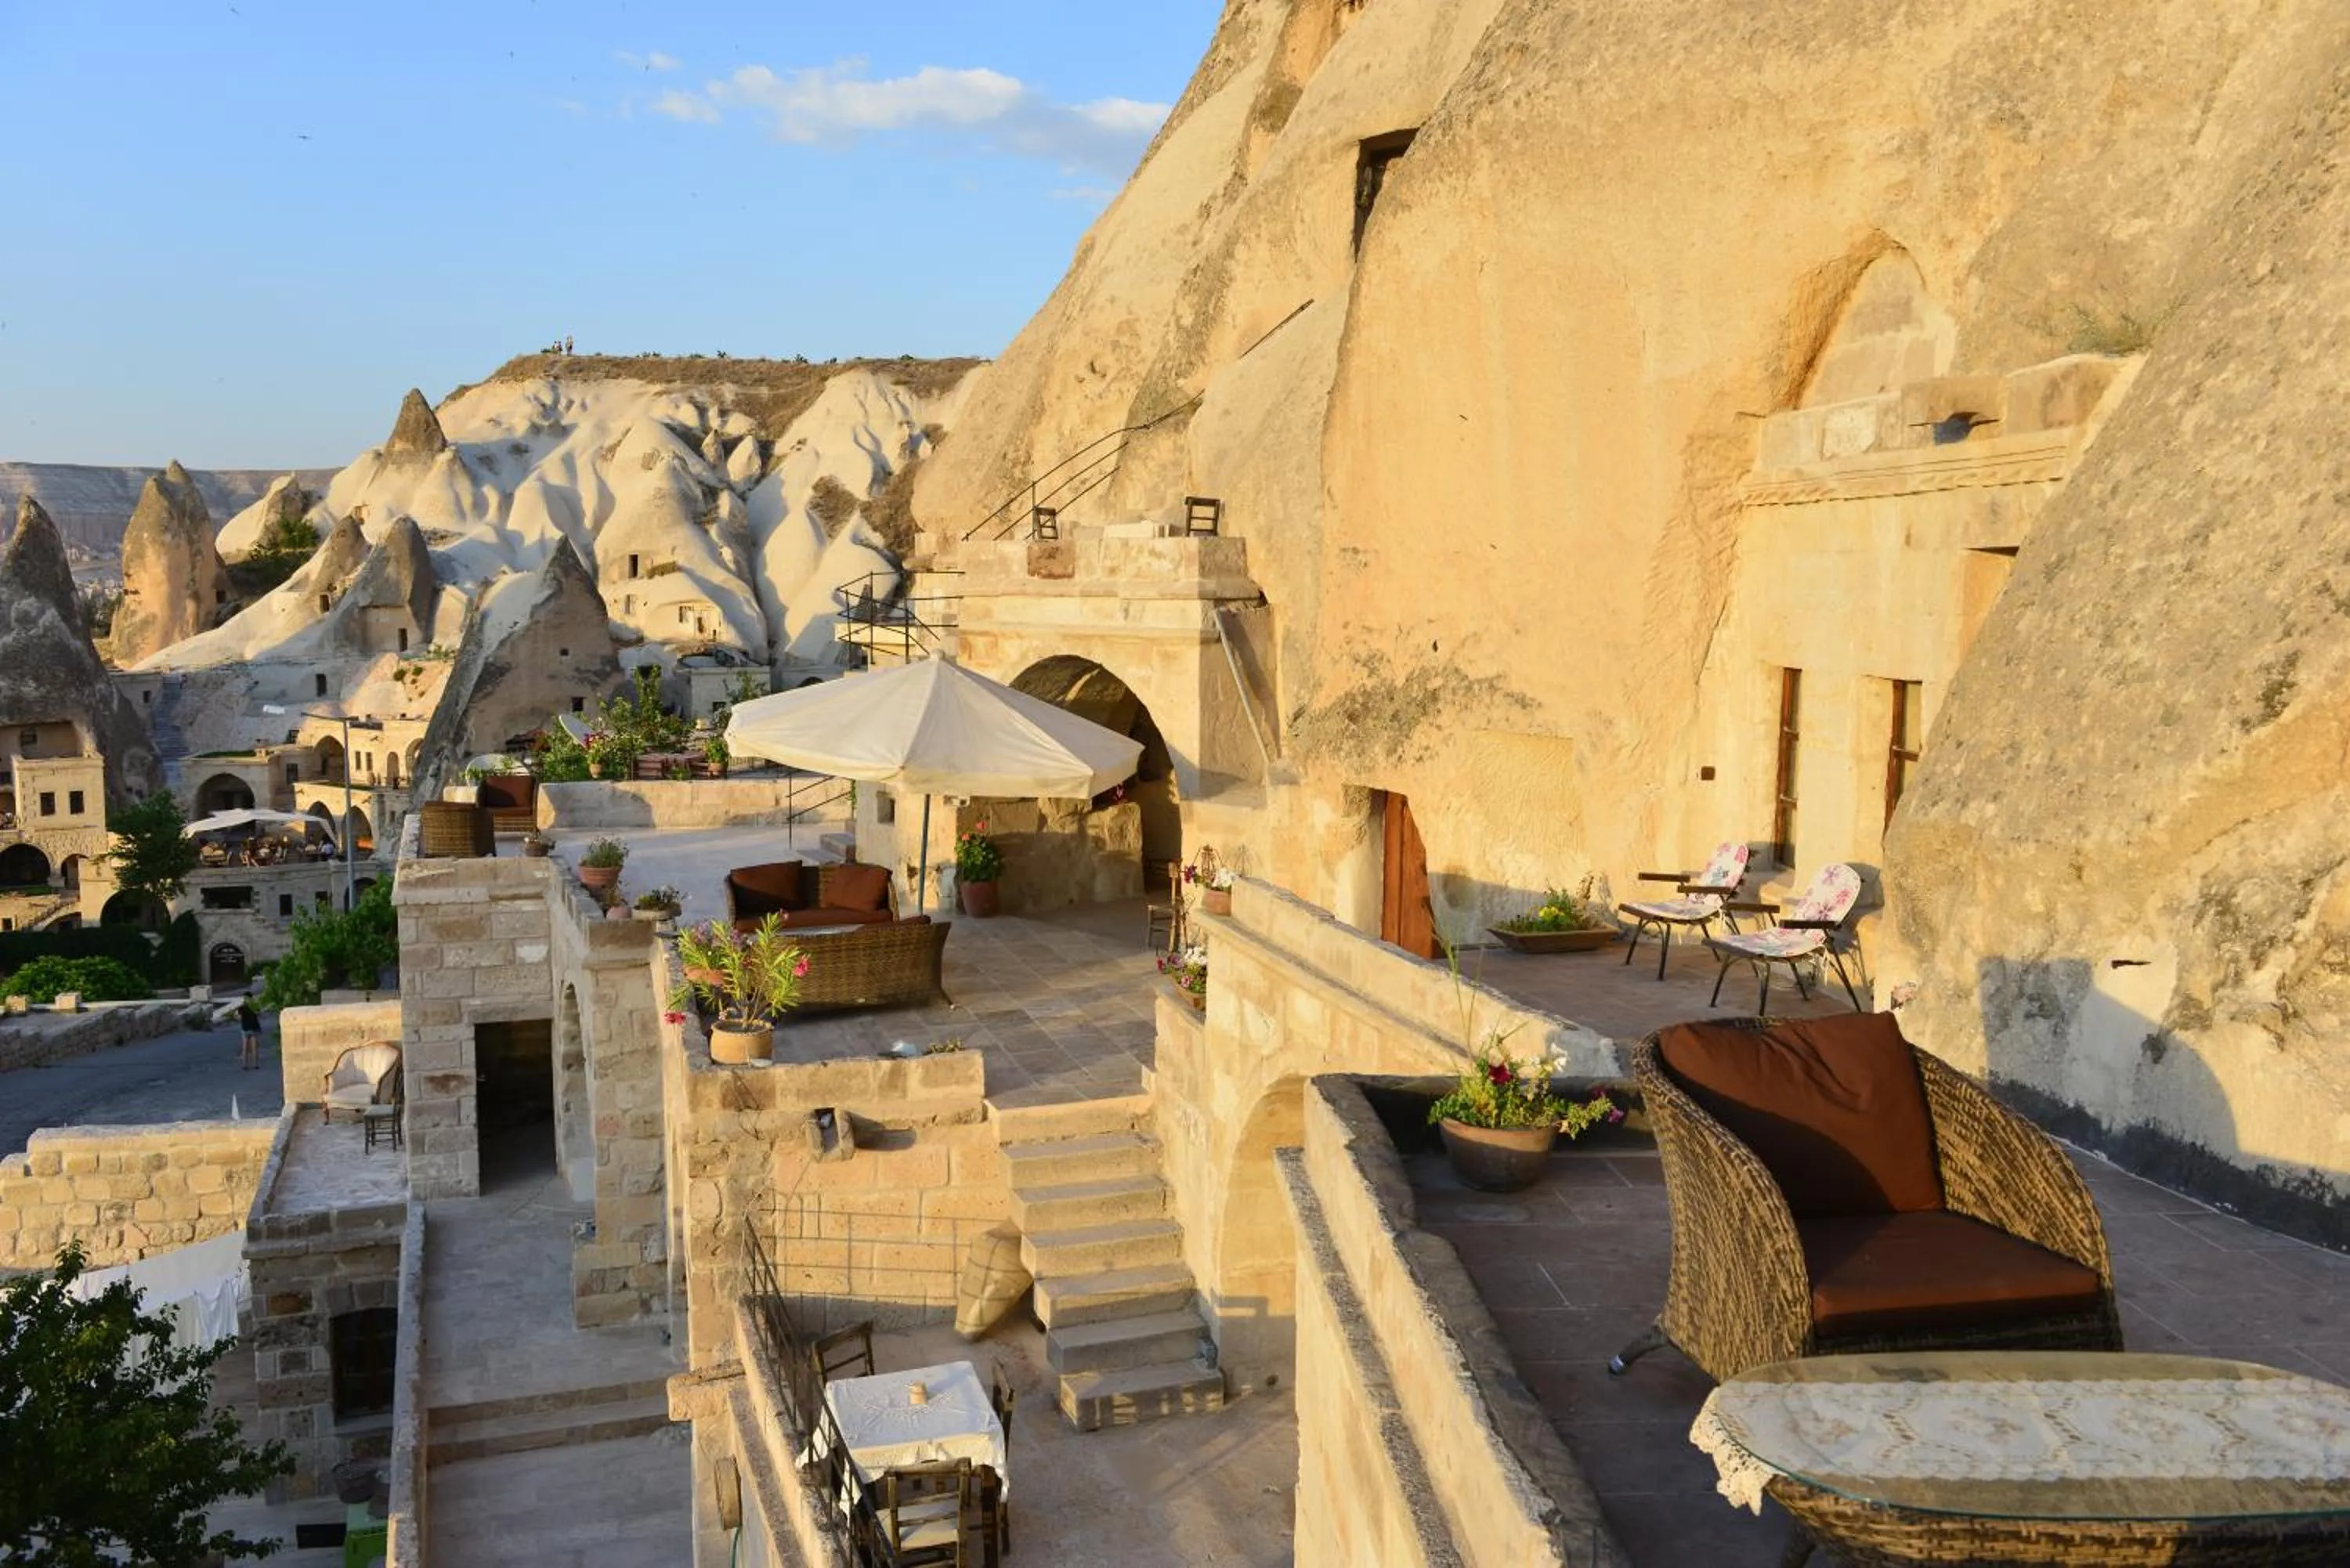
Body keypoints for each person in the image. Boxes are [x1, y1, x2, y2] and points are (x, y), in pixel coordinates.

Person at [237, 998, 262, 1072]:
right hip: (254, 1028)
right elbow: (259, 1013)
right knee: (254, 1048)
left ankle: (245, 1065)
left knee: (245, 1047)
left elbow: (238, 1017)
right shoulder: (255, 1007)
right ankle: (255, 1065)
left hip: (245, 1029)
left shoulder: (241, 1008)